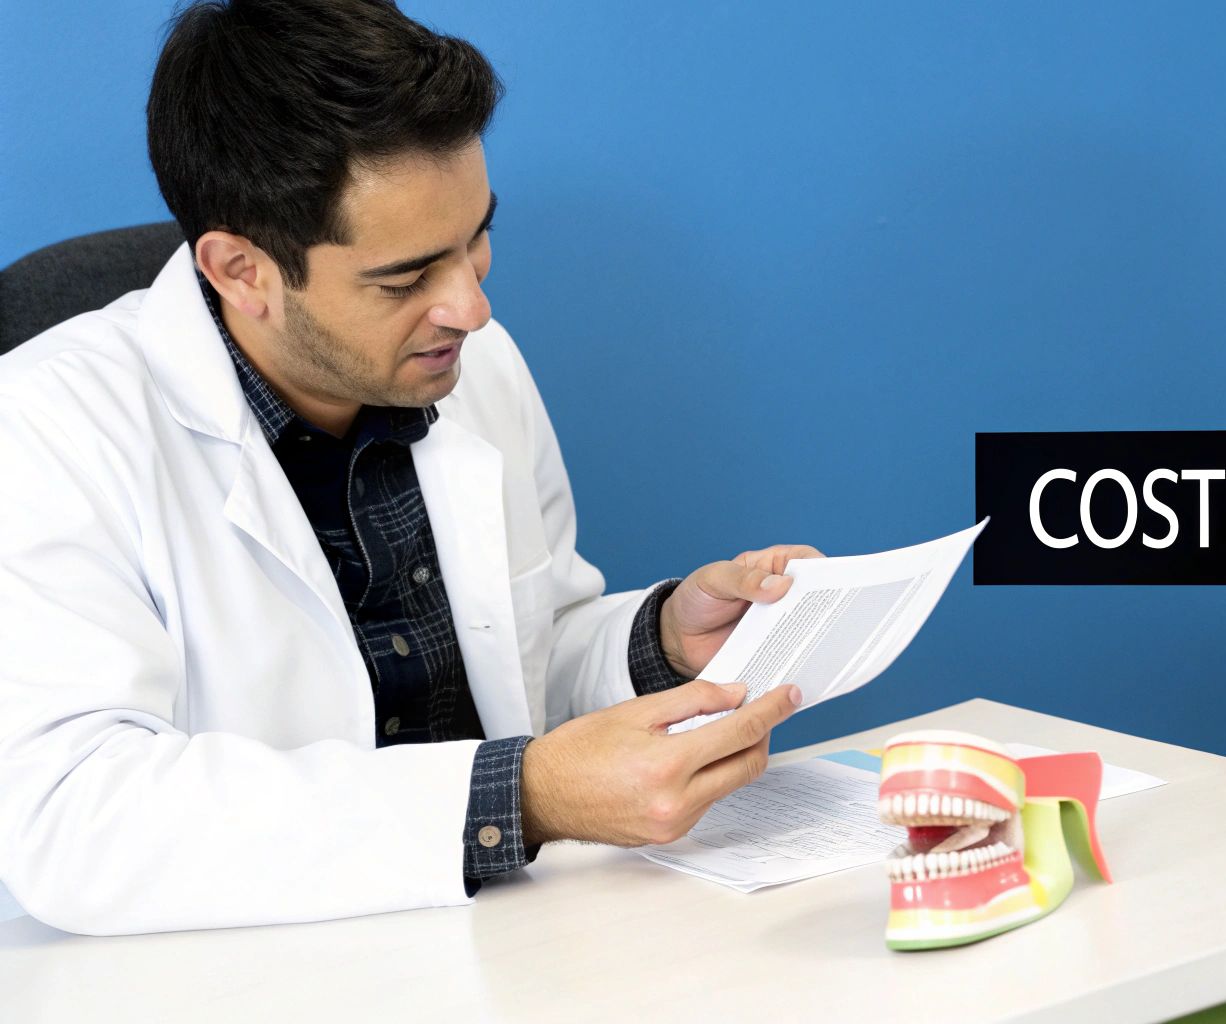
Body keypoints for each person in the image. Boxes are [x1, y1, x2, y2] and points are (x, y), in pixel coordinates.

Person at [0, 0, 813, 935]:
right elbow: (76, 820)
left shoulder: (473, 366)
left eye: (476, 239)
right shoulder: (43, 431)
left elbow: (526, 655)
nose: (470, 307)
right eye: (406, 278)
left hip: (503, 943)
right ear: (239, 270)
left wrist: (660, 643)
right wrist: (521, 797)